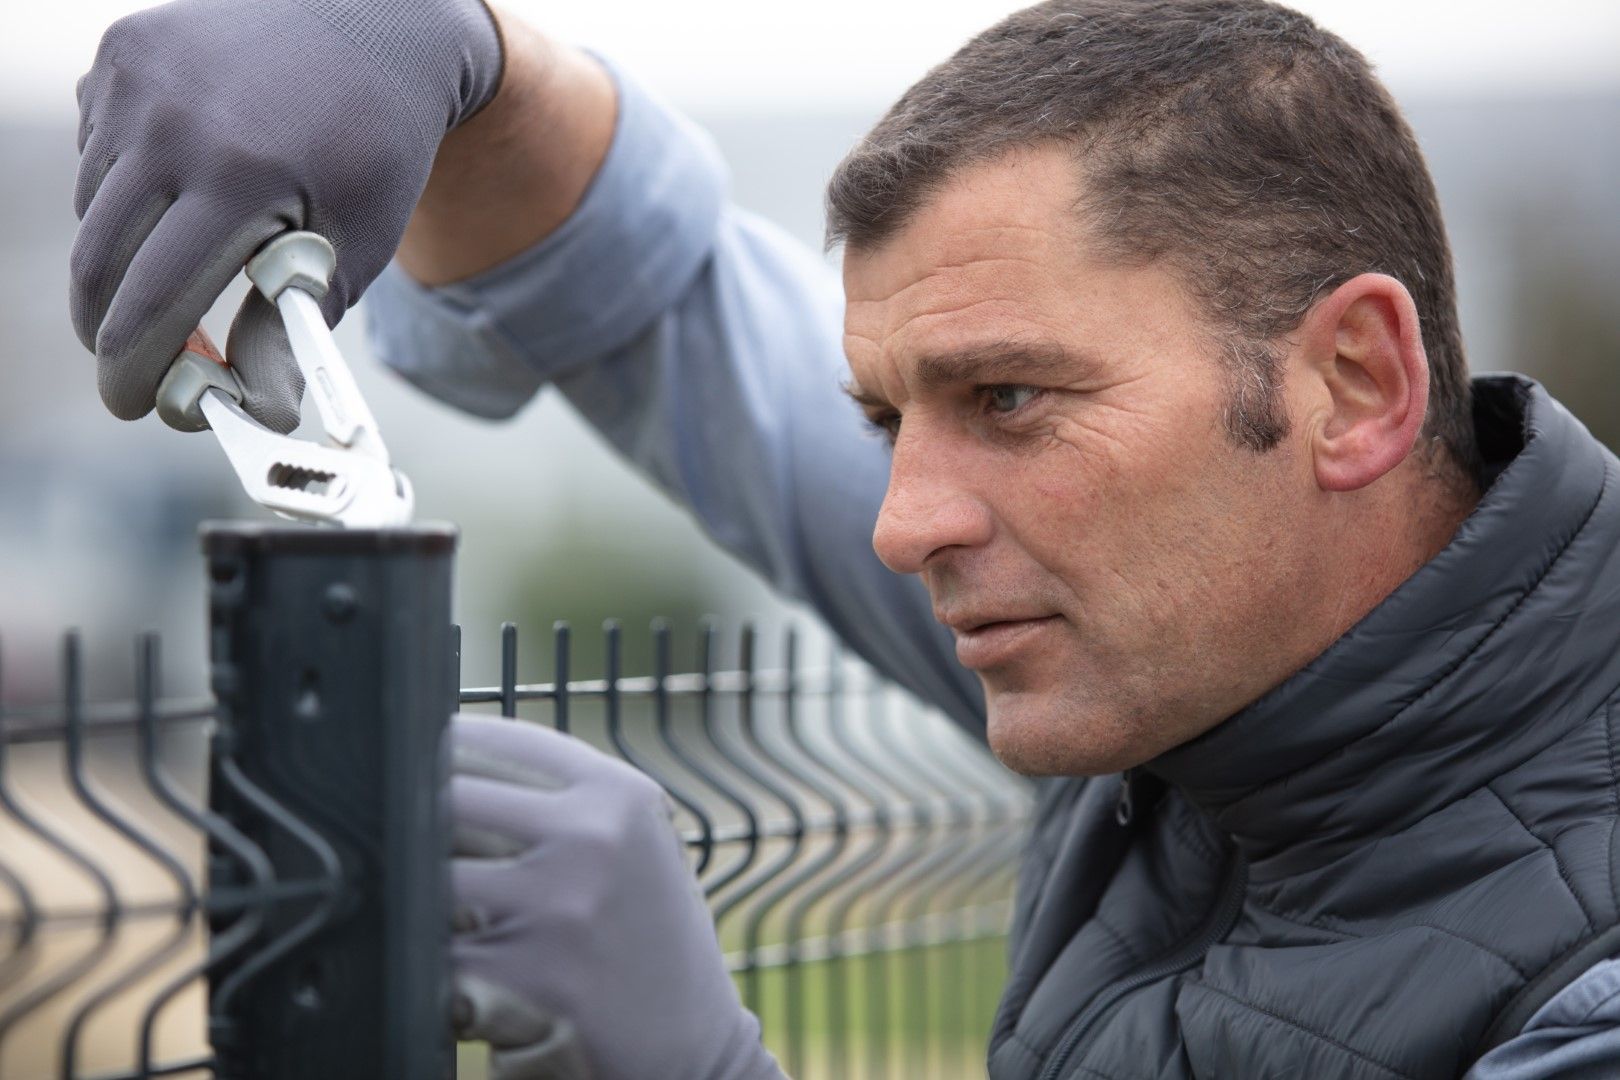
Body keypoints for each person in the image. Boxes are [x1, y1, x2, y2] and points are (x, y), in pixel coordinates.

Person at [69, 0, 1620, 1076]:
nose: (901, 524)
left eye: (1008, 397)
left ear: (1351, 386)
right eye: (888, 421)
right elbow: (653, 304)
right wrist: (447, 48)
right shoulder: (1208, 668)